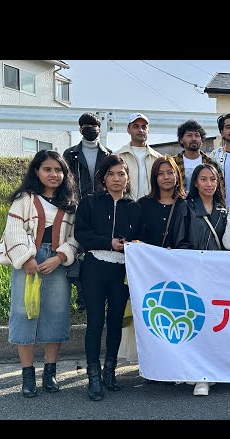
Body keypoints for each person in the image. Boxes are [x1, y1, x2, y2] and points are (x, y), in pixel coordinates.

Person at [3, 150, 79, 397]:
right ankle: (27, 376)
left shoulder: (70, 203)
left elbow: (75, 237)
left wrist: (60, 257)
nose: (53, 174)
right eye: (48, 169)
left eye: (58, 170)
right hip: (28, 261)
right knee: (24, 313)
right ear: (37, 171)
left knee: (55, 314)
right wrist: (26, 259)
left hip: (56, 263)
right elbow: (13, 230)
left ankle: (50, 372)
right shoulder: (24, 199)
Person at [74, 155, 142, 401]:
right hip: (94, 267)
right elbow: (81, 234)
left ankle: (110, 372)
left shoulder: (134, 207)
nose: (117, 179)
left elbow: (141, 239)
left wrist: (132, 244)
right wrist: (108, 242)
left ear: (127, 178)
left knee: (115, 321)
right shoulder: (90, 202)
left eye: (121, 174)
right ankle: (93, 376)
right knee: (94, 322)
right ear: (103, 177)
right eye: (112, 174)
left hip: (121, 270)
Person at [118, 156, 190, 364]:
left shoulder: (187, 205)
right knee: (154, 318)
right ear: (154, 178)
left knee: (178, 317)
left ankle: (176, 363)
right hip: (150, 273)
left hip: (180, 271)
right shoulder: (143, 205)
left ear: (177, 175)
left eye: (170, 172)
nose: (166, 177)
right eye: (161, 173)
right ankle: (153, 364)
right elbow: (134, 237)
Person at [185, 162, 227, 396]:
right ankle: (198, 374)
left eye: (213, 179)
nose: (209, 184)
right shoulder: (187, 207)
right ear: (195, 182)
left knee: (215, 324)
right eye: (203, 179)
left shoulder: (224, 210)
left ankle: (213, 370)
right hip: (194, 273)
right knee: (197, 322)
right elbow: (181, 241)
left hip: (218, 275)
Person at [63, 112, 112, 313]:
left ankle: (100, 295)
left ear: (100, 129)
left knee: (98, 251)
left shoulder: (108, 154)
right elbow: (65, 181)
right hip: (77, 208)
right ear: (80, 128)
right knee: (77, 251)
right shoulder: (70, 154)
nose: (90, 128)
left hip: (100, 209)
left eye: (94, 125)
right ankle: (81, 294)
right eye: (86, 125)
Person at [113, 112, 163, 199]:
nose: (140, 130)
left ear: (148, 131)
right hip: (125, 208)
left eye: (144, 127)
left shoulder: (158, 158)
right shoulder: (117, 156)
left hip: (151, 208)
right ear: (128, 130)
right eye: (136, 126)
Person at [170, 119, 221, 193]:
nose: (194, 138)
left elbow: (219, 189)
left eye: (197, 135)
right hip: (178, 203)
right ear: (181, 140)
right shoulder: (173, 163)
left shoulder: (211, 164)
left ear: (201, 139)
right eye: (189, 135)